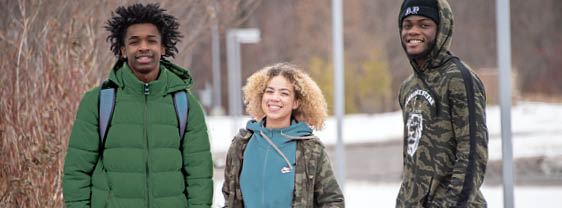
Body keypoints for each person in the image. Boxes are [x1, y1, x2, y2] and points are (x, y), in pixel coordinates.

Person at [62, 3, 213, 207]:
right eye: (134, 42)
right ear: (123, 50)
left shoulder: (185, 104)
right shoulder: (98, 101)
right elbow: (77, 172)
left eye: (151, 40)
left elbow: (200, 177)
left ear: (163, 48)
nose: (143, 47)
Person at [395, 0, 489, 207]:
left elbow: (473, 153)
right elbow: (411, 156)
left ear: (442, 29)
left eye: (424, 25)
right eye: (407, 25)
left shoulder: (459, 78)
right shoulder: (407, 87)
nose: (413, 31)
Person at [222, 63, 345, 207]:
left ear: (296, 102)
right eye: (269, 91)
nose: (275, 98)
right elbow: (229, 197)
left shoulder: (310, 149)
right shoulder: (242, 144)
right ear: (261, 96)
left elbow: (332, 201)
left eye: (284, 93)